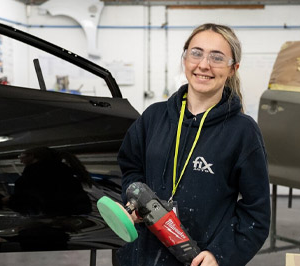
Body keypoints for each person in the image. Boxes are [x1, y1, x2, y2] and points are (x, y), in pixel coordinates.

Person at [116, 23, 271, 266]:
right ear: (185, 58)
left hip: (195, 258)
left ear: (233, 69)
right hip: (139, 256)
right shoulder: (154, 117)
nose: (204, 65)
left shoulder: (243, 132)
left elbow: (256, 213)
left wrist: (219, 255)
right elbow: (129, 167)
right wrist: (133, 199)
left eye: (217, 57)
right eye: (196, 53)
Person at [5, 146, 92, 216]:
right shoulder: (66, 175)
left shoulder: (30, 178)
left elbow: (27, 206)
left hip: (43, 226)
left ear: (32, 156)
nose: (20, 160)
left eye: (21, 156)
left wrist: (7, 201)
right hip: (67, 223)